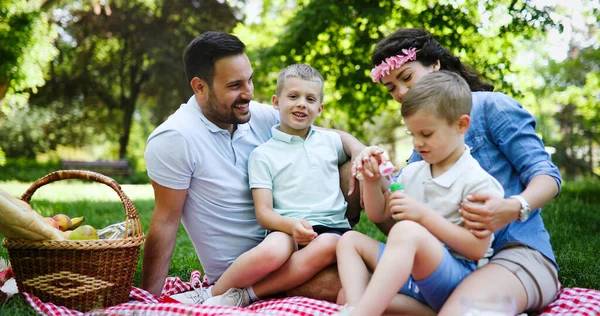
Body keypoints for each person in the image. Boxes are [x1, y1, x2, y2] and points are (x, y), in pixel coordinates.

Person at [345, 28, 562, 315]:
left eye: (406, 77)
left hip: (515, 251)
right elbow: (389, 211)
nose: (400, 93)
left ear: (435, 64)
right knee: (357, 296)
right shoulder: (422, 147)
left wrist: (512, 207)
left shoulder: (489, 106)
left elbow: (546, 174)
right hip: (446, 260)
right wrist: (372, 177)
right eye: (391, 88)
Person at [142, 32, 364, 304]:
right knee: (370, 284)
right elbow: (165, 220)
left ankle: (417, 244)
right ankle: (230, 295)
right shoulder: (175, 138)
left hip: (301, 238)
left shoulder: (255, 114)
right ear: (200, 87)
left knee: (359, 166)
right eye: (235, 85)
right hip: (245, 267)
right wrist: (147, 301)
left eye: (250, 80)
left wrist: (360, 151)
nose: (248, 93)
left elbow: (325, 136)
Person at [336, 71, 505, 315]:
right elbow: (378, 214)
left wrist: (423, 216)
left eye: (426, 134)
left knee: (406, 230)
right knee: (349, 245)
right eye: (412, 134)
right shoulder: (414, 172)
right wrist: (372, 181)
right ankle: (357, 307)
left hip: (454, 279)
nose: (417, 143)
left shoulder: (476, 182)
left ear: (461, 124)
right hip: (414, 276)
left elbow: (476, 249)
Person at [201, 64, 352, 307]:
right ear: (276, 101)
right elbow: (264, 213)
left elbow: (356, 154)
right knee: (273, 249)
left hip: (332, 230)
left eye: (310, 98)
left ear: (320, 108)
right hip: (286, 229)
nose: (302, 103)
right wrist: (291, 226)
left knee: (330, 243)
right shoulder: (263, 154)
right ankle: (209, 294)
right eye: (293, 96)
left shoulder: (331, 141)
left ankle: (248, 294)